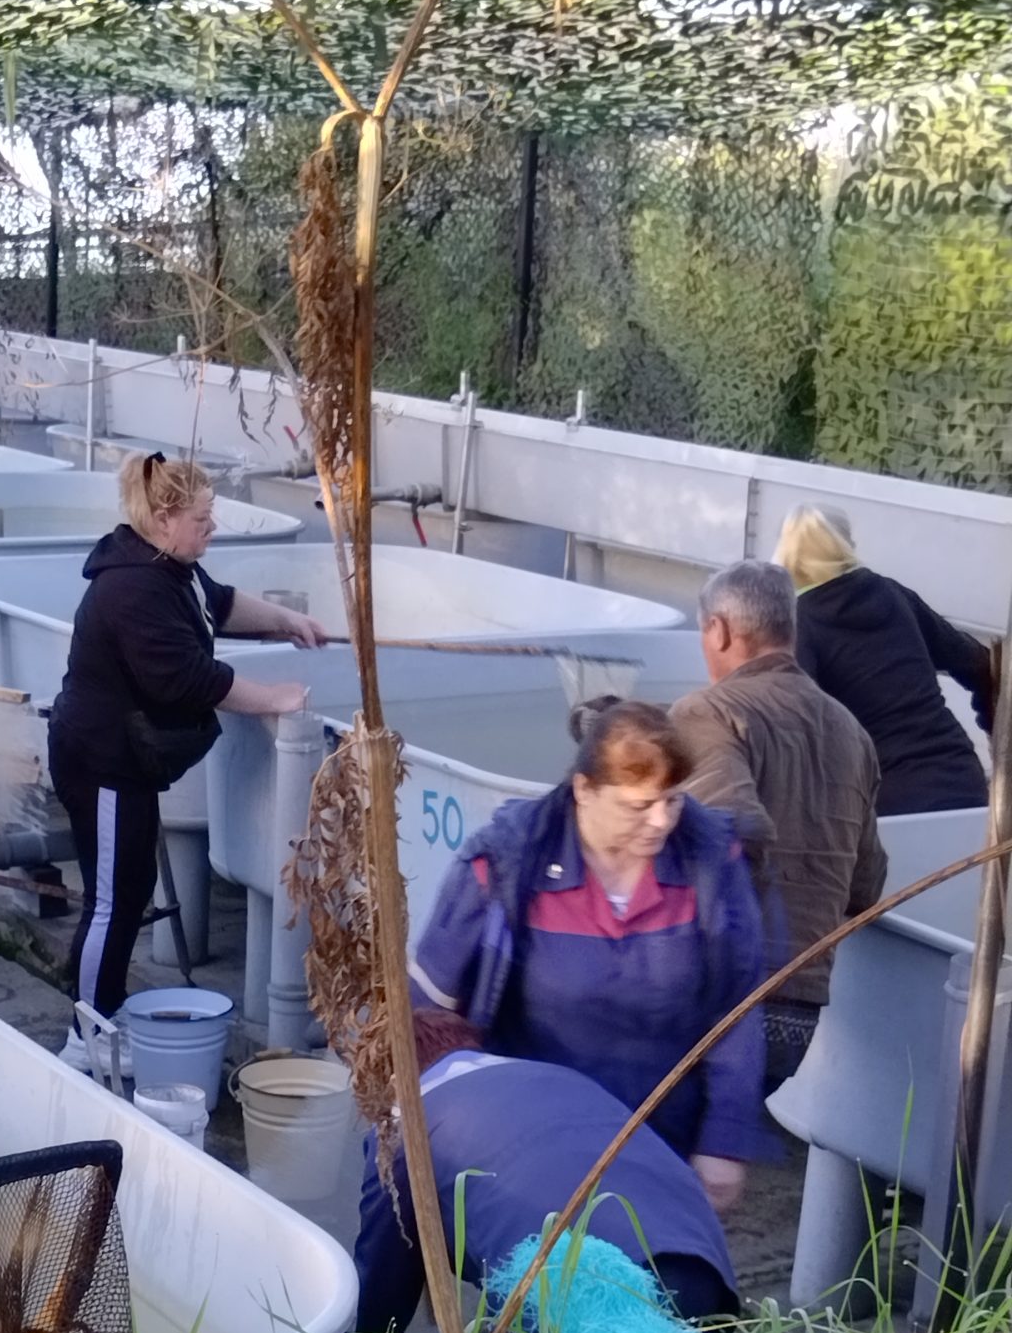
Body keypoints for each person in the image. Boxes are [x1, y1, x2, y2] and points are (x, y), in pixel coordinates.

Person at [410, 697, 766, 1214]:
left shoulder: (710, 863)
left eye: (672, 799)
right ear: (584, 791)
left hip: (663, 1138)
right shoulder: (505, 864)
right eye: (638, 806)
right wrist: (430, 1132)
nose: (662, 821)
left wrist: (724, 1140)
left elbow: (737, 1008)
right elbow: (429, 1006)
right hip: (530, 1138)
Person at [46, 451, 320, 1052]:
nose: (212, 527)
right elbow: (189, 680)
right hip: (102, 764)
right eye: (203, 518)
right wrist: (274, 696)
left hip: (127, 763)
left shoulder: (172, 566)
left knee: (130, 889)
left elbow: (218, 603)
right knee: (112, 901)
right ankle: (85, 1034)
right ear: (165, 518)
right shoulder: (132, 590)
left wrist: (286, 620)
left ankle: (103, 1018)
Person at [352, 1008, 741, 1333]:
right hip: (700, 1265)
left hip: (580, 1296)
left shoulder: (403, 1127)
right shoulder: (559, 1076)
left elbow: (383, 1279)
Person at [671, 558, 886, 1087]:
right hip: (798, 1011)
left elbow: (730, 833)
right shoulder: (851, 731)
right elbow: (866, 888)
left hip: (713, 1000)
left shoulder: (707, 712)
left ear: (718, 630)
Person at [773, 505, 993, 816]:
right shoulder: (893, 595)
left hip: (881, 801)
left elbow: (793, 732)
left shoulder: (799, 624)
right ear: (847, 543)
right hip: (960, 778)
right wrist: (991, 723)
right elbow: (978, 663)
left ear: (786, 553)